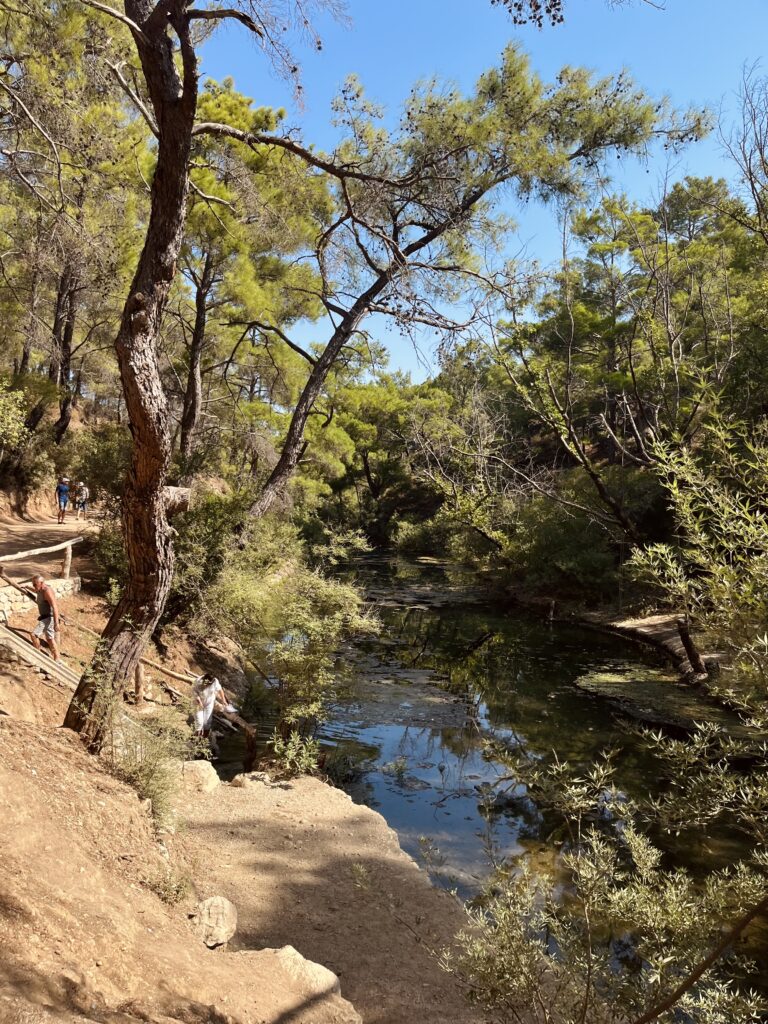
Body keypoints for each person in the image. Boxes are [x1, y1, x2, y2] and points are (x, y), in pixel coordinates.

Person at [30, 574, 60, 661]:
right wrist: (27, 587)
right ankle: (57, 659)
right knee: (50, 639)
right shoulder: (40, 589)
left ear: (41, 583)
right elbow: (36, 591)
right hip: (44, 617)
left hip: (48, 618)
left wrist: (56, 623)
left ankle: (38, 657)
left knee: (34, 635)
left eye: (35, 584)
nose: (34, 586)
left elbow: (55, 607)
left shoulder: (47, 591)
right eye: (33, 584)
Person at [192, 672, 229, 738]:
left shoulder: (215, 681)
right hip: (197, 703)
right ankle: (195, 739)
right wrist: (200, 703)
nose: (208, 685)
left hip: (209, 703)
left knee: (207, 722)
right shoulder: (198, 681)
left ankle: (204, 740)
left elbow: (220, 690)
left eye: (210, 684)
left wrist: (223, 700)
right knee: (200, 723)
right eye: (207, 684)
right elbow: (195, 693)